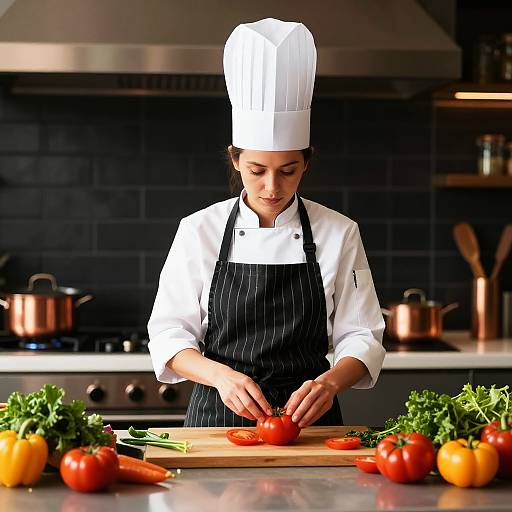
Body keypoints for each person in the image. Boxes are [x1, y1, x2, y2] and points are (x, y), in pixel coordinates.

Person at [148, 18, 385, 428]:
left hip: (309, 423)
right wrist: (220, 377)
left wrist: (329, 384)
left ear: (307, 162)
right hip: (217, 419)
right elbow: (169, 336)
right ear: (235, 158)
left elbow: (363, 336)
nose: (272, 187)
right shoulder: (199, 230)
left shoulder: (338, 231)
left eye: (288, 170)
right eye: (257, 170)